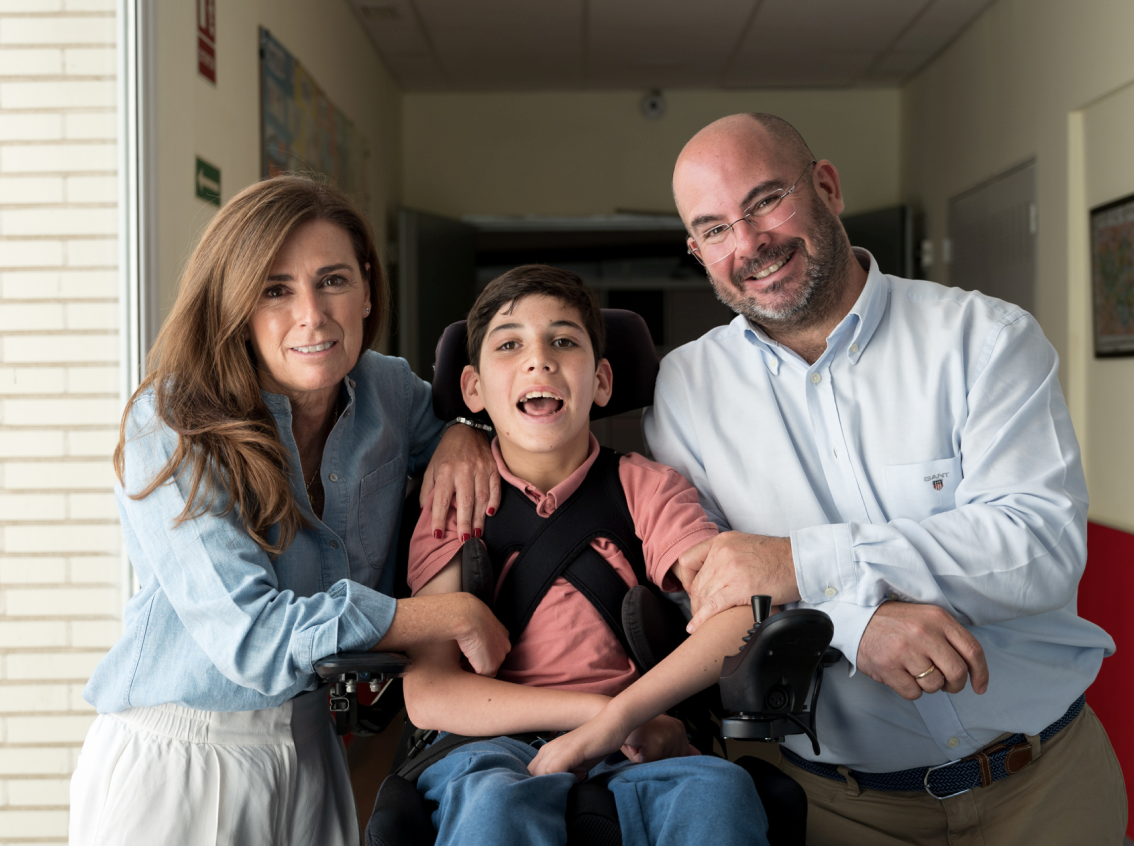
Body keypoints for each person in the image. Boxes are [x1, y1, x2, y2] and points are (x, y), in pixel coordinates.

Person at [644, 112, 1126, 844]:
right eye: (714, 229)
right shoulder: (685, 388)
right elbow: (709, 601)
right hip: (840, 810)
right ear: (697, 250)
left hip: (1046, 784)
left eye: (766, 200)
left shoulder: (984, 340)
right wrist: (850, 623)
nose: (748, 245)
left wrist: (800, 563)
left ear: (828, 188)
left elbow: (1040, 548)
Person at [68, 176, 510, 846]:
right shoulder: (175, 422)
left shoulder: (389, 390)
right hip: (182, 756)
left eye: (332, 280)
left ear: (365, 287)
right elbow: (252, 641)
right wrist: (442, 617)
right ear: (235, 304)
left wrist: (461, 432)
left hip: (313, 751)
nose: (313, 314)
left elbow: (486, 427)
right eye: (276, 290)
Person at [401, 265, 770, 846]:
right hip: (489, 749)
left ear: (601, 381)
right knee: (492, 811)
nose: (539, 360)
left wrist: (626, 722)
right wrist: (601, 716)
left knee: (718, 798)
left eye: (564, 341)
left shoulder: (649, 488)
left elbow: (732, 613)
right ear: (473, 388)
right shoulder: (456, 504)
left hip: (644, 739)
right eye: (509, 343)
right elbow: (429, 694)